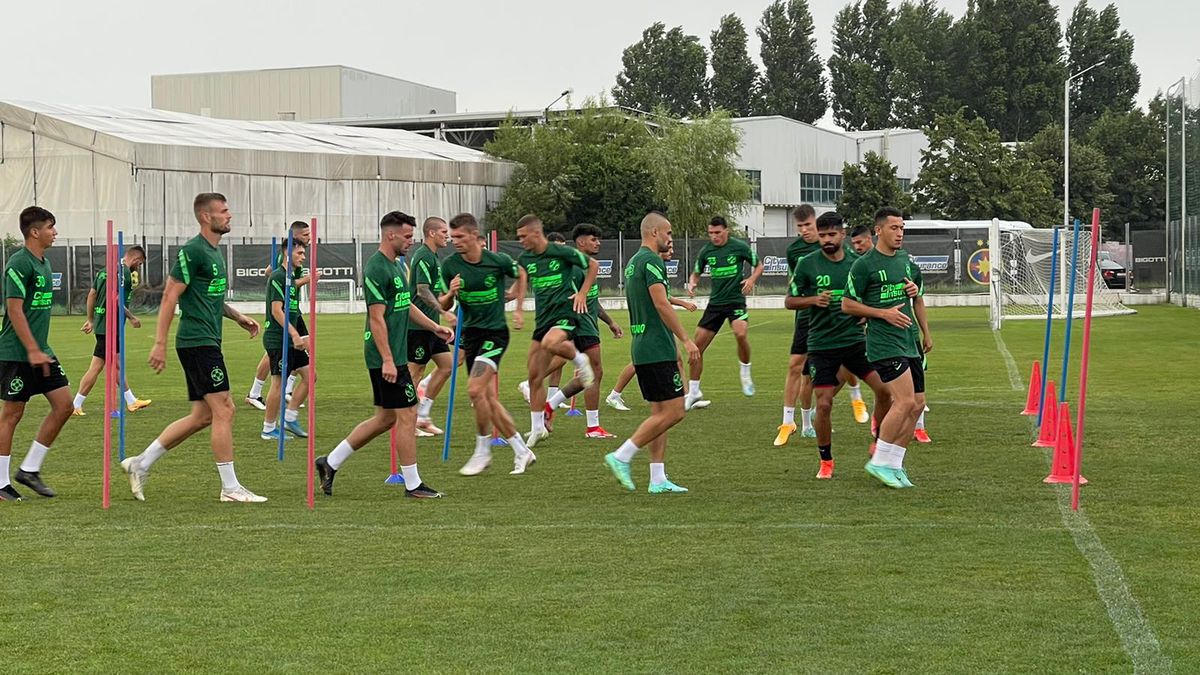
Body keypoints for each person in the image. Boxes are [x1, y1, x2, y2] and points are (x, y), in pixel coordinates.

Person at [122, 193, 266, 502]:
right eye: (224, 211)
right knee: (225, 409)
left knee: (202, 416)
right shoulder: (193, 251)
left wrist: (238, 317)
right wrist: (159, 343)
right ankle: (230, 489)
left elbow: (209, 297)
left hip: (208, 339)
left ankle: (140, 463)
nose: (230, 215)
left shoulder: (214, 253)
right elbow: (170, 296)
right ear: (205, 217)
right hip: (196, 341)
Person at [314, 212, 452, 498]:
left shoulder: (397, 266)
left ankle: (330, 462)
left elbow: (405, 305)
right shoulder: (376, 268)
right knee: (408, 414)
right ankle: (413, 485)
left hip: (395, 354)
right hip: (384, 355)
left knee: (386, 419)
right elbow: (376, 318)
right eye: (406, 237)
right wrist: (388, 359)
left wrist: (434, 326)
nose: (410, 242)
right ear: (391, 235)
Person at [786, 212, 890, 479]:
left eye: (832, 234)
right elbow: (789, 301)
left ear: (842, 234)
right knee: (824, 404)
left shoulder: (858, 263)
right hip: (822, 345)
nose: (827, 240)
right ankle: (826, 461)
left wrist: (866, 313)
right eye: (822, 236)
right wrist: (812, 300)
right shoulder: (808, 264)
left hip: (855, 342)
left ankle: (877, 440)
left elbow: (871, 297)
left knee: (885, 390)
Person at [604, 212, 699, 493]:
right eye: (668, 233)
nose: (670, 239)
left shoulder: (634, 263)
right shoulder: (652, 261)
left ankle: (657, 479)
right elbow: (660, 304)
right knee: (675, 411)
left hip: (643, 345)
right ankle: (621, 456)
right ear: (654, 232)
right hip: (656, 347)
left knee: (660, 413)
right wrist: (686, 339)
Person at [437, 212, 537, 476]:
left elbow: (522, 274)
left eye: (459, 236)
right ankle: (521, 450)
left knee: (474, 390)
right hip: (470, 335)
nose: (455, 241)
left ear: (474, 236)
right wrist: (451, 292)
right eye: (452, 236)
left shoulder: (497, 261)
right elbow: (442, 304)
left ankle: (483, 451)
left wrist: (518, 307)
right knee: (486, 398)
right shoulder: (449, 265)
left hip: (494, 335)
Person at [842, 207, 932, 489]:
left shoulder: (905, 260)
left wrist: (926, 332)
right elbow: (847, 304)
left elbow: (916, 294)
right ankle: (879, 459)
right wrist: (883, 313)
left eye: (902, 228)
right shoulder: (864, 265)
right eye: (894, 228)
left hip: (909, 341)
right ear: (878, 231)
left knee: (917, 406)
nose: (900, 233)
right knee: (903, 402)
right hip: (884, 343)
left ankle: (895, 464)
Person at [0, 207, 73, 501]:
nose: (55, 233)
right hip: (17, 354)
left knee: (65, 405)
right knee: (12, 414)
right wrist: (31, 349)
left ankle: (29, 469)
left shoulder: (43, 263)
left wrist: (39, 350)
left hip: (42, 352)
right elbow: (14, 309)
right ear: (34, 232)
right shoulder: (19, 263)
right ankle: (1, 483)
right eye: (51, 228)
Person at [532, 224, 623, 438]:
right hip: (580, 325)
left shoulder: (585, 265)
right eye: (593, 239)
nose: (597, 243)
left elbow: (590, 298)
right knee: (594, 372)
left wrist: (610, 321)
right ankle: (592, 427)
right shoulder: (572, 266)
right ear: (581, 242)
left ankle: (550, 406)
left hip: (588, 323)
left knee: (591, 373)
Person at [515, 215, 597, 447]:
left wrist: (582, 293)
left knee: (551, 343)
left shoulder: (560, 252)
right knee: (534, 376)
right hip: (542, 320)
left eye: (523, 236)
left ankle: (581, 361)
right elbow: (518, 286)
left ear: (536, 233)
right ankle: (537, 428)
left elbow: (593, 265)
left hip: (565, 315)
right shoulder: (525, 258)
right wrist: (518, 309)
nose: (520, 240)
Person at [606, 240, 694, 411]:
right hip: (652, 327)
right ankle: (614, 394)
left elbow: (664, 296)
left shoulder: (648, 263)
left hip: (657, 326)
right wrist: (683, 304)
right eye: (669, 247)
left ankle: (686, 396)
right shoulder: (652, 262)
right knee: (638, 365)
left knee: (677, 359)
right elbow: (662, 301)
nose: (672, 251)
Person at [685, 216, 763, 410]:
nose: (714, 237)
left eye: (718, 233)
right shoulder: (707, 251)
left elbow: (759, 265)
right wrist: (693, 282)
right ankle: (694, 392)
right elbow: (696, 272)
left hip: (735, 301)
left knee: (741, 333)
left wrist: (752, 279)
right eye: (711, 233)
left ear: (726, 231)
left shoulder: (739, 247)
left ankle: (745, 372)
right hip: (715, 304)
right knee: (696, 349)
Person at [73, 245, 152, 416]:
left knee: (111, 365)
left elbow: (92, 294)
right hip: (111, 326)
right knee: (100, 367)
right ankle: (76, 404)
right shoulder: (124, 274)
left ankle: (131, 401)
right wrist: (131, 317)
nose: (138, 267)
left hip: (103, 324)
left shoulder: (104, 271)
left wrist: (90, 319)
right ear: (137, 259)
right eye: (139, 264)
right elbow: (116, 299)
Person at [245, 220, 313, 410]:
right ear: (296, 236)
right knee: (274, 351)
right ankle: (256, 392)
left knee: (303, 346)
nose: (309, 238)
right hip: (286, 310)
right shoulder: (286, 256)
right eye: (306, 235)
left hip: (293, 310)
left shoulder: (294, 256)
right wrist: (308, 280)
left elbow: (269, 272)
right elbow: (277, 277)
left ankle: (286, 390)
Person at [407, 216, 458, 437]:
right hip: (417, 326)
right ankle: (406, 422)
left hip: (432, 326)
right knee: (413, 373)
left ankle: (423, 415)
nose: (447, 236)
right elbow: (422, 290)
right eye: (444, 232)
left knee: (447, 365)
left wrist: (451, 293)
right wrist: (443, 312)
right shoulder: (423, 257)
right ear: (431, 233)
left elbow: (437, 295)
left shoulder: (434, 258)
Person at [259, 241, 310, 441]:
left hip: (290, 338)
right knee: (278, 384)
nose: (303, 257)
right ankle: (269, 428)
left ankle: (289, 417)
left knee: (309, 376)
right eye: (300, 253)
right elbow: (276, 311)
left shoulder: (291, 277)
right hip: (278, 339)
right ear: (288, 254)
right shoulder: (278, 277)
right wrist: (295, 334)